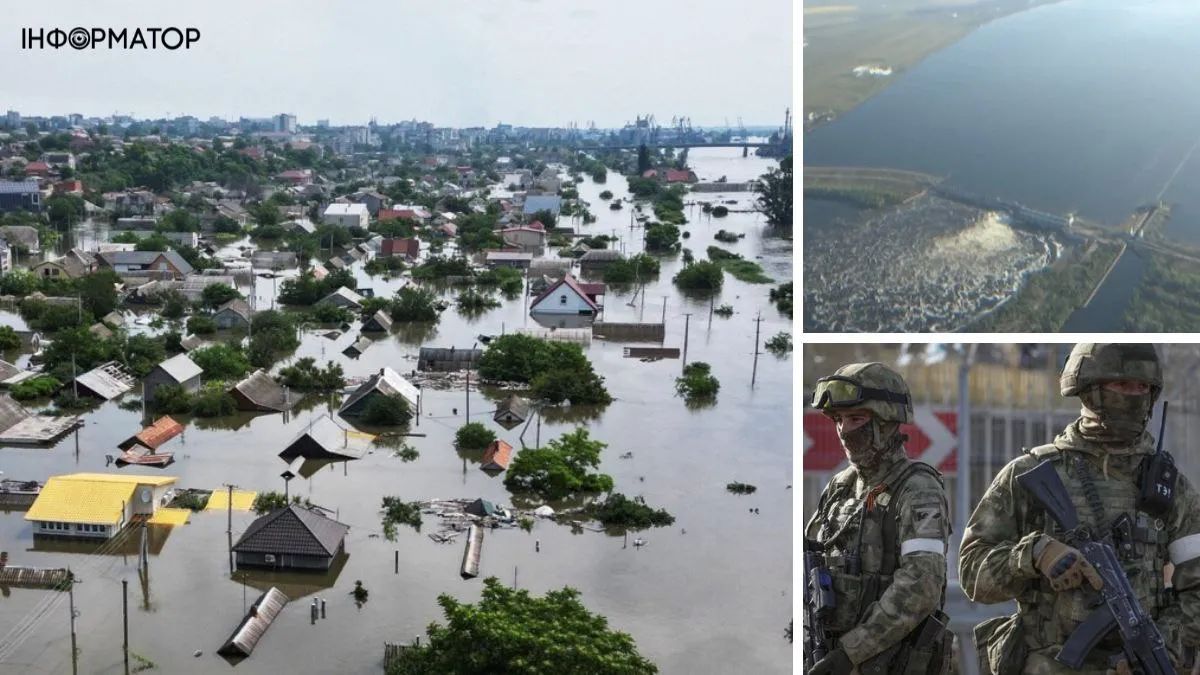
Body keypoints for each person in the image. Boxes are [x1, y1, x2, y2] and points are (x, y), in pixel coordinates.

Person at [960, 343, 1200, 673]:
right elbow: (973, 574)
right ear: (1090, 390)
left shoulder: (1171, 488)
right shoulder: (1031, 473)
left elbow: (1196, 590)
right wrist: (1034, 555)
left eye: (1142, 387)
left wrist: (1161, 650)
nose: (1134, 395)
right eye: (1123, 385)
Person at [804, 362, 953, 675]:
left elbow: (921, 586)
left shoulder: (918, 489)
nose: (844, 430)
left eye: (856, 419)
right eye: (839, 420)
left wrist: (850, 653)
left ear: (886, 423)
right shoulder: (840, 487)